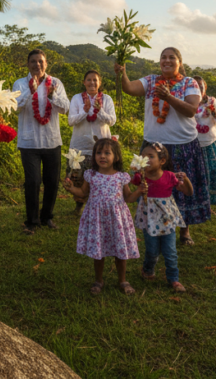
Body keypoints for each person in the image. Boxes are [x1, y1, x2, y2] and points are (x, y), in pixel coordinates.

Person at [115, 47, 210, 245]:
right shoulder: (150, 81)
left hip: (182, 144)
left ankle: (184, 232)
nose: (167, 60)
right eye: (163, 57)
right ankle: (153, 228)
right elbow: (129, 88)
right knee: (152, 187)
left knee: (181, 186)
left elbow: (191, 110)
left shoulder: (188, 83)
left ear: (180, 63)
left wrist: (168, 97)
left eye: (172, 57)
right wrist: (122, 73)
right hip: (153, 145)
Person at [63, 137, 141, 295]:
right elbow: (83, 193)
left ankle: (123, 280)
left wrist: (139, 192)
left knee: (120, 251)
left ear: (116, 157)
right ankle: (98, 280)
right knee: (99, 251)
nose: (102, 156)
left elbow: (128, 198)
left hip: (117, 220)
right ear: (94, 156)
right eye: (99, 153)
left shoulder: (121, 176)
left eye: (107, 153)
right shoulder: (91, 175)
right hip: (98, 220)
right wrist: (71, 189)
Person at [13, 49, 69, 234]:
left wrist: (52, 95)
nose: (37, 64)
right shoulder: (20, 83)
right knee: (33, 181)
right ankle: (32, 221)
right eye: (33, 61)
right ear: (27, 64)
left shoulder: (56, 83)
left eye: (41, 61)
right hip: (29, 143)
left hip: (51, 140)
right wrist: (30, 92)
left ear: (46, 64)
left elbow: (65, 108)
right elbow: (15, 108)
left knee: (52, 182)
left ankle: (47, 217)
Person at [131, 142, 193, 292]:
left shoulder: (169, 176)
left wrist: (186, 179)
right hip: (149, 220)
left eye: (151, 156)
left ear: (162, 161)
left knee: (170, 252)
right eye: (143, 156)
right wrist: (136, 172)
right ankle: (147, 269)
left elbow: (188, 192)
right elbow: (131, 184)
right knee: (152, 251)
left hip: (167, 221)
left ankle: (174, 279)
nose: (146, 159)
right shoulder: (141, 178)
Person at [67, 70, 117, 213]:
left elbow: (112, 121)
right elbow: (71, 121)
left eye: (95, 80)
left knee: (100, 178)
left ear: (100, 83)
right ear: (84, 82)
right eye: (89, 80)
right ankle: (79, 204)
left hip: (101, 146)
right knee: (78, 177)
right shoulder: (77, 98)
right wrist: (84, 111)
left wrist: (99, 110)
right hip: (80, 146)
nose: (92, 83)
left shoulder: (106, 99)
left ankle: (98, 206)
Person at [193, 76, 216, 209]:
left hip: (210, 143)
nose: (199, 89)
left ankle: (208, 205)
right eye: (195, 86)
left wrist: (215, 113)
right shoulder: (188, 102)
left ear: (205, 87)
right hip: (194, 144)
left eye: (201, 86)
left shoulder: (213, 102)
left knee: (212, 172)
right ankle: (197, 204)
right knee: (197, 175)